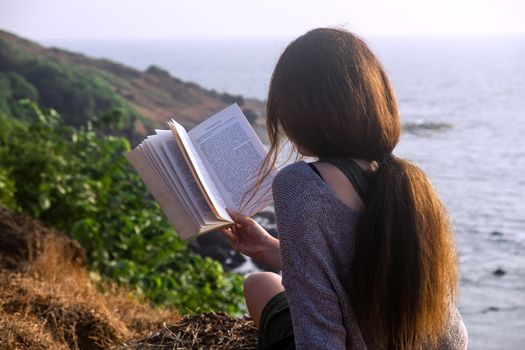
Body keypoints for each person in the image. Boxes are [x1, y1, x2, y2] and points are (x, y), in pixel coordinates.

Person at [220, 28, 467, 350]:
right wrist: (273, 249)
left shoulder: (301, 184)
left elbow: (320, 335)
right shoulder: (410, 183)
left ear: (303, 111)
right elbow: (453, 335)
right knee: (265, 278)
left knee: (258, 283)